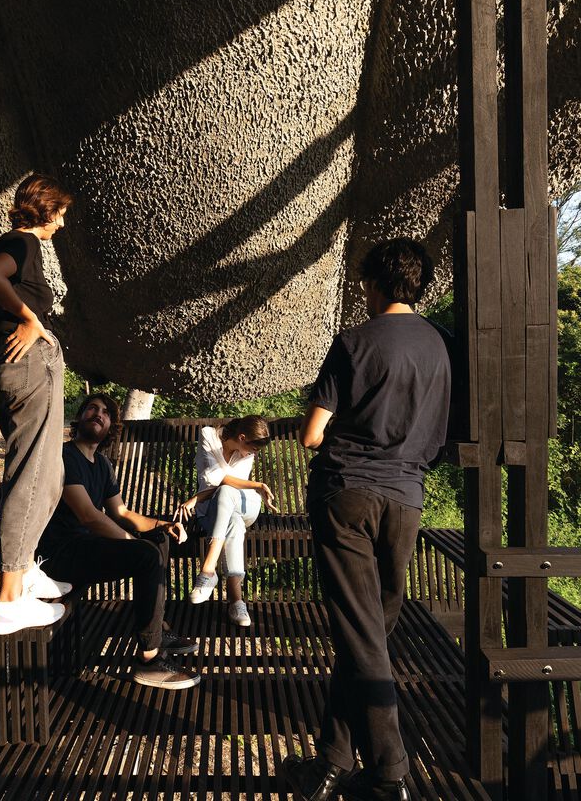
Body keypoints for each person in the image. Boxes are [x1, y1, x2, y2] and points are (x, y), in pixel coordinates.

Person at [283, 238, 451, 801]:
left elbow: (311, 434)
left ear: (374, 285)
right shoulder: (443, 346)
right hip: (406, 500)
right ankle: (330, 765)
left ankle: (390, 774)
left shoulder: (354, 342)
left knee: (363, 638)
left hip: (348, 495)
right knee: (368, 635)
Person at [0, 173, 75, 636]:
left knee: (48, 473)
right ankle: (9, 602)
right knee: (33, 475)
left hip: (9, 366)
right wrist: (27, 321)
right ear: (45, 209)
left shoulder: (12, 245)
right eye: (60, 213)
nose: (62, 224)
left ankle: (24, 574)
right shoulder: (23, 243)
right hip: (30, 367)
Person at [39, 392, 203, 689]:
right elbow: (88, 515)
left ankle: (156, 629)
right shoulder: (64, 457)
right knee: (145, 555)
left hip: (85, 546)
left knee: (158, 539)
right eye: (92, 408)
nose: (97, 414)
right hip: (59, 553)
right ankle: (148, 661)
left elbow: (122, 512)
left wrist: (162, 524)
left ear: (111, 426)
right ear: (81, 417)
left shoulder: (102, 464)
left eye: (105, 412)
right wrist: (132, 543)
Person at [173, 415, 277, 627]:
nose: (254, 454)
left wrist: (195, 498)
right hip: (214, 512)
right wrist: (257, 484)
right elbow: (213, 480)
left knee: (229, 495)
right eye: (254, 449)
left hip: (246, 504)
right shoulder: (208, 436)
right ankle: (236, 602)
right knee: (234, 524)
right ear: (241, 437)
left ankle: (208, 571)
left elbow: (228, 486)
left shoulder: (246, 453)